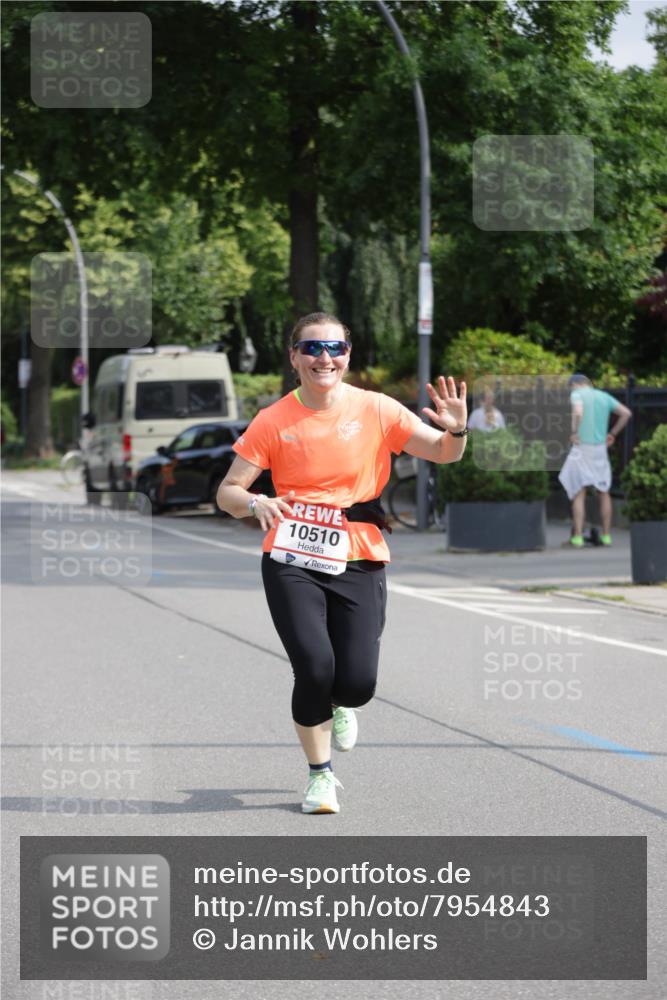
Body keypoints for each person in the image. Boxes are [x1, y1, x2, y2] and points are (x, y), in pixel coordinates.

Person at [217, 312, 468, 814]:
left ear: (347, 356)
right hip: (291, 553)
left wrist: (458, 430)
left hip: (359, 551)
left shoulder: (377, 409)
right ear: (294, 358)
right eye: (311, 349)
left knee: (356, 681)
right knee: (313, 665)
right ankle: (320, 777)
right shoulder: (273, 420)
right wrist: (254, 503)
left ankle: (339, 703)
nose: (323, 358)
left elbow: (443, 453)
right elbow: (227, 492)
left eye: (334, 348)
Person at [558, 373, 631, 547]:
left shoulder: (577, 394)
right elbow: (626, 413)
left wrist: (575, 431)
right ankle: (606, 536)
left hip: (583, 448)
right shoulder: (604, 396)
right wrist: (612, 434)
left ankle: (577, 537)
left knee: (579, 492)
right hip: (600, 449)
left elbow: (578, 411)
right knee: (603, 491)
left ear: (576, 384)